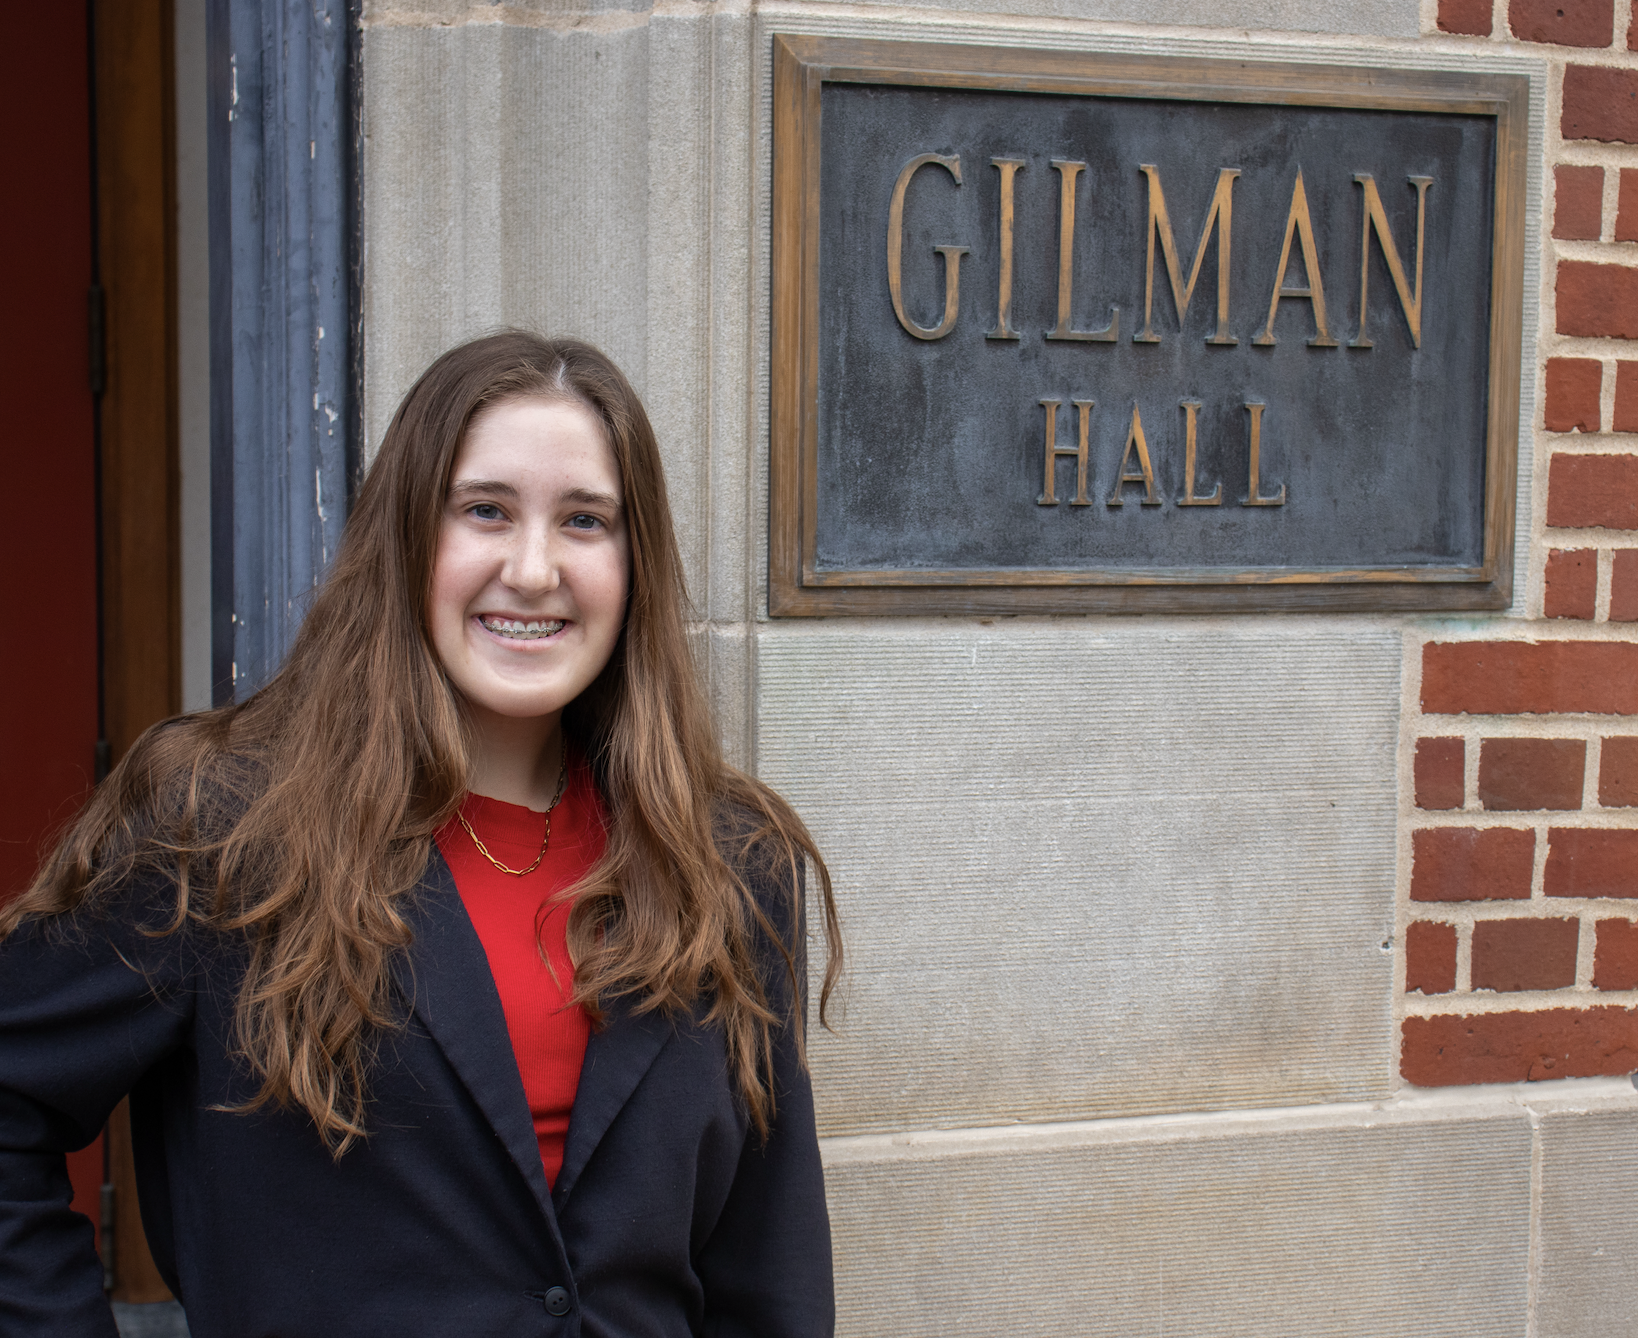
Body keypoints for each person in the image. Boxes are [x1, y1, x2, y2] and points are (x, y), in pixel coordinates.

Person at [0, 332, 843, 1337]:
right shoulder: (221, 825)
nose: (533, 570)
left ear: (635, 563)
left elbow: (768, 1267)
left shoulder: (730, 862)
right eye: (484, 510)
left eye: (585, 521)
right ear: (407, 536)